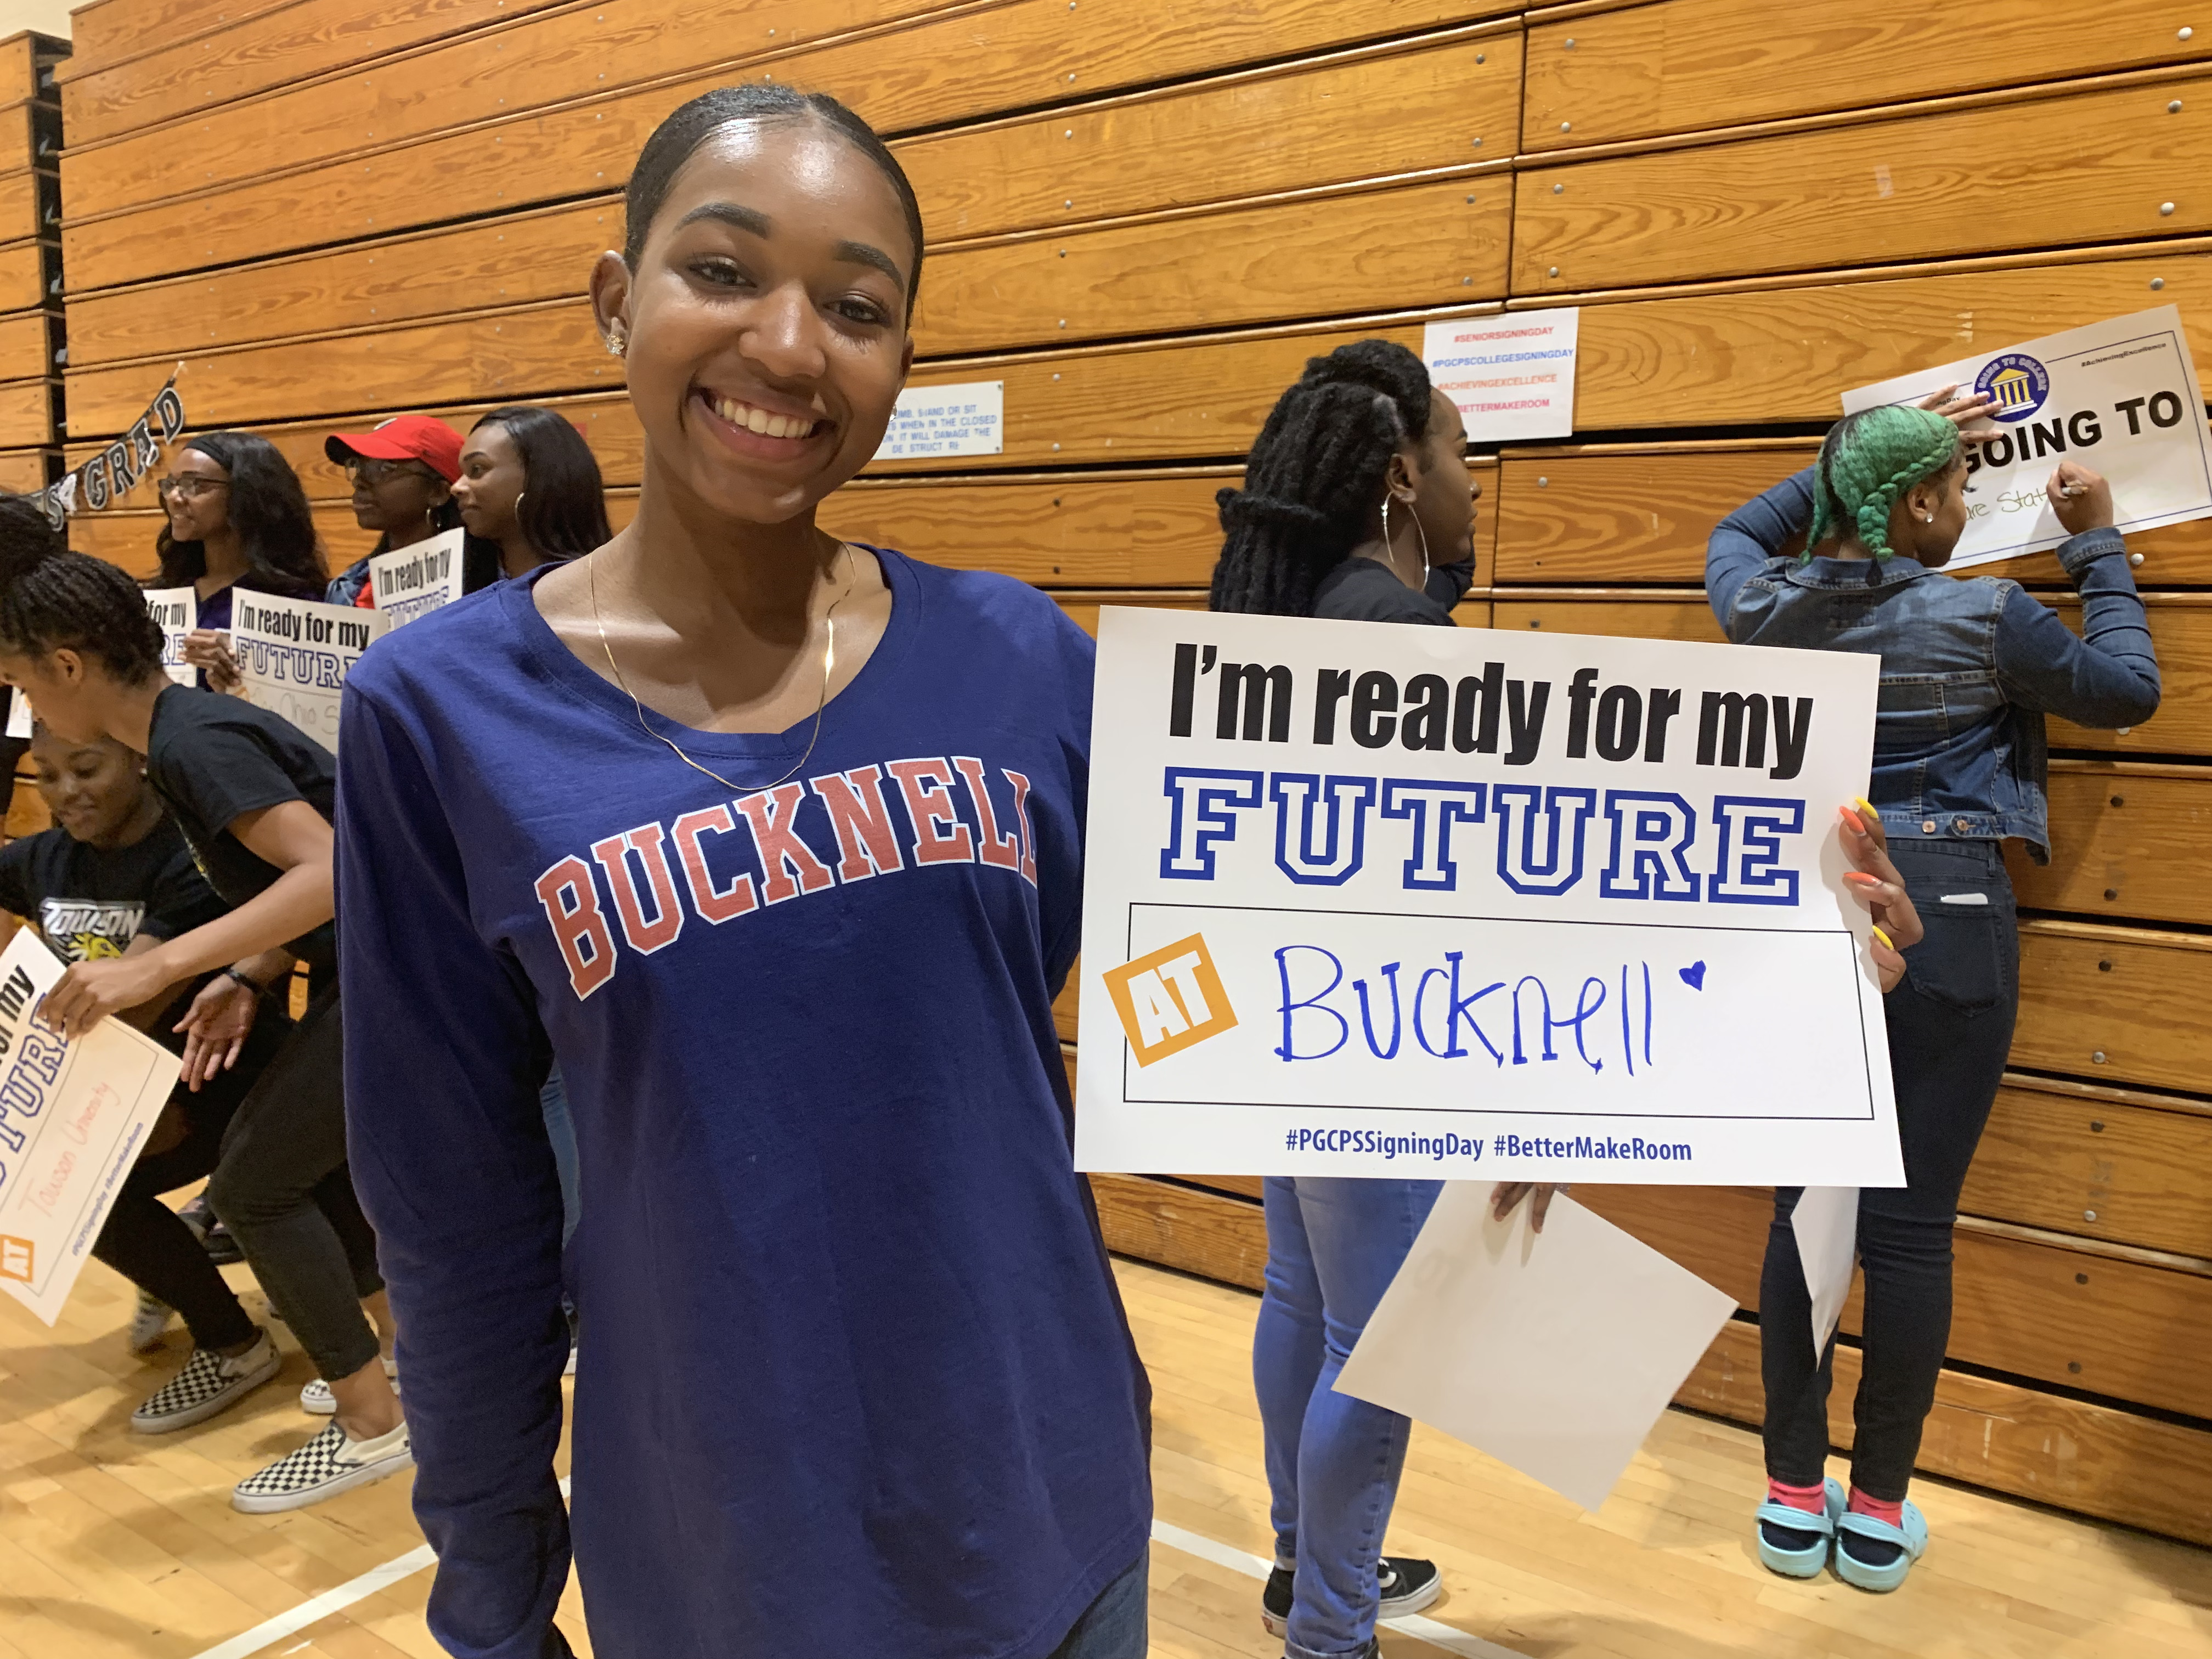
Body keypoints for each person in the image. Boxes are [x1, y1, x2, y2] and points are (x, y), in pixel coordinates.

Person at [334, 85, 1149, 1659]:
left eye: (857, 305)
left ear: (900, 357)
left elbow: (1250, 978)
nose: (789, 346)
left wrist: (1506, 1073)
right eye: (722, 270)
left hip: (1057, 1519)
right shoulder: (437, 713)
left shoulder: (1024, 660)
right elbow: (449, 1203)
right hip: (724, 1560)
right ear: (614, 295)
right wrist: (493, 1592)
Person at [1707, 397, 2160, 1592]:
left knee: (1805, 1213)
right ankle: (1877, 1512)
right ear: (1914, 506)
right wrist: (2096, 542)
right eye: (1958, 488)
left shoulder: (1764, 610)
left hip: (1815, 913)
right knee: (1910, 1233)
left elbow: (1737, 533)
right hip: (1950, 912)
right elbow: (2126, 688)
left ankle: (1790, 1501)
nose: (1967, 507)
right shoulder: (1987, 614)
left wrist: (1848, 458)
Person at [1209, 340, 1553, 1659]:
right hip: (1385, 1038)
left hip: (1284, 1021)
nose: (1483, 481)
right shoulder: (1407, 640)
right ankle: (1333, 1630)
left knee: (1302, 1300)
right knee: (1383, 1342)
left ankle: (1306, 1567)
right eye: (1464, 456)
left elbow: (1433, 570)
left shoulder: (1296, 611)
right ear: (1404, 476)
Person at [0, 493, 408, 1512]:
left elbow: (332, 870)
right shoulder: (179, 730)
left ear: (66, 666)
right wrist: (244, 968)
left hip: (404, 979)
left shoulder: (189, 742)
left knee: (259, 1182)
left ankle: (372, 1423)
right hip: (377, 975)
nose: (31, 716)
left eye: (21, 685)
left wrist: (160, 965)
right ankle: (396, 1361)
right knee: (288, 1173)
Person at [0, 719, 296, 1416]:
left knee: (81, 1188)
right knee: (57, 1189)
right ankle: (217, 1323)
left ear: (138, 762)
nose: (65, 792)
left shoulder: (190, 859)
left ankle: (238, 1337)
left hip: (229, 1078)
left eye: (86, 769)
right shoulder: (41, 858)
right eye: (46, 775)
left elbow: (135, 1000)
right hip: (121, 1088)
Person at [149, 431, 326, 689]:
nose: (174, 498)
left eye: (195, 485)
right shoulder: (164, 593)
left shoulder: (296, 603)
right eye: (170, 485)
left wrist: (242, 673)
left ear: (246, 494)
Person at [450, 404, 614, 582]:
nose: (457, 487)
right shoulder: (463, 587)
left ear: (537, 476)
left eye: (477, 469)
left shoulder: (598, 591)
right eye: (461, 473)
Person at [323, 414, 469, 606]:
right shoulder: (346, 590)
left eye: (385, 469)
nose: (359, 481)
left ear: (438, 492)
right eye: (358, 466)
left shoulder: (484, 587)